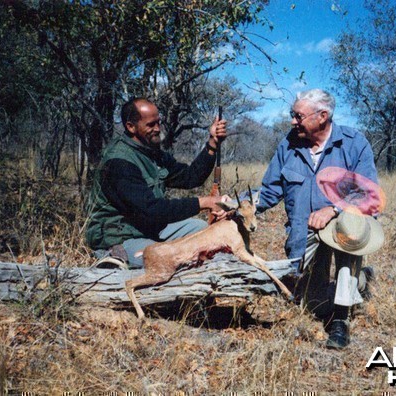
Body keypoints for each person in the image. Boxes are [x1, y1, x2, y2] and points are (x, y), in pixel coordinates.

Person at [257, 89, 380, 349]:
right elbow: (269, 191)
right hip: (306, 230)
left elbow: (368, 191)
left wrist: (334, 210)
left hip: (342, 225)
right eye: (293, 115)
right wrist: (237, 206)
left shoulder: (354, 142)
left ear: (322, 116)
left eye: (298, 116)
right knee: (314, 305)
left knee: (351, 233)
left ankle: (341, 320)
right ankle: (358, 281)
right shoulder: (289, 144)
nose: (293, 121)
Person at [86, 98, 228, 269]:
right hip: (120, 236)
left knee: (203, 230)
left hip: (149, 228)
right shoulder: (119, 162)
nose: (158, 129)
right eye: (151, 124)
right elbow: (153, 209)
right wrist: (204, 202)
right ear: (131, 126)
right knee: (171, 258)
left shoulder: (152, 153)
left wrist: (212, 144)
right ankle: (115, 259)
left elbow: (190, 177)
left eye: (158, 123)